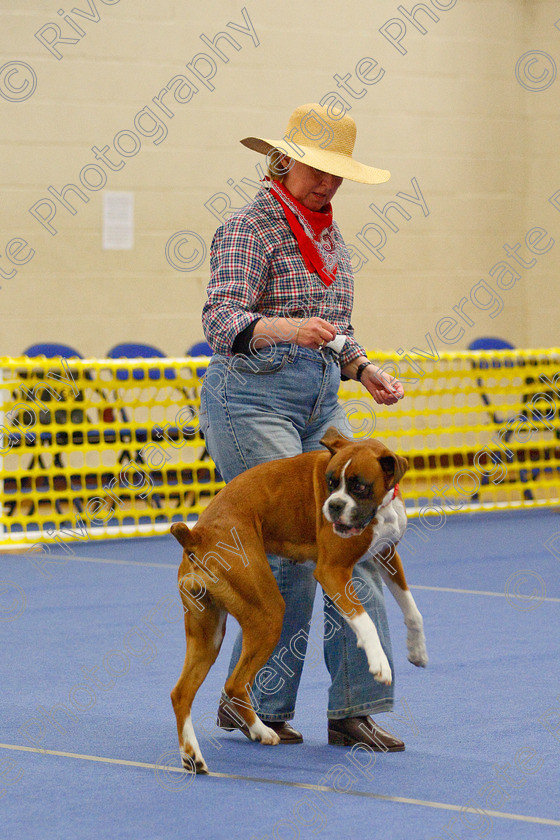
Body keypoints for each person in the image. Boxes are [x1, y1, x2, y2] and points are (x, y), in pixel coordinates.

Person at [199, 103, 406, 751]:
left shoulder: (330, 236)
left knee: (357, 543)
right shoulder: (247, 228)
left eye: (338, 174)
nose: (327, 184)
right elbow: (220, 321)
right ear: (283, 162)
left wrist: (362, 367)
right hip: (252, 398)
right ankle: (254, 705)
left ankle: (354, 708)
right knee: (291, 554)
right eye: (316, 170)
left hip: (320, 398)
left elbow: (334, 326)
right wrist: (288, 328)